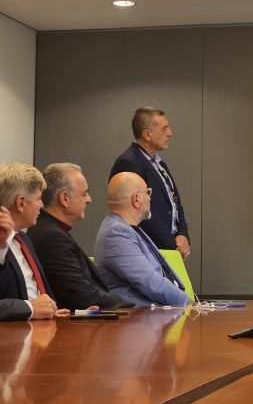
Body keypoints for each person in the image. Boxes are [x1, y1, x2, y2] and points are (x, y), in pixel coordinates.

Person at [27, 163, 133, 311]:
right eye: (84, 194)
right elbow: (84, 297)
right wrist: (135, 307)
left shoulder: (52, 231)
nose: (89, 199)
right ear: (64, 198)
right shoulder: (51, 238)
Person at [94, 172, 189, 307]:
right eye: (148, 192)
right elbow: (151, 283)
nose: (150, 198)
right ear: (137, 199)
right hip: (139, 316)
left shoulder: (127, 228)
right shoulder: (116, 232)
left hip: (156, 312)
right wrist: (188, 304)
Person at [109, 107, 190, 256]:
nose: (170, 133)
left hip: (169, 248)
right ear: (147, 134)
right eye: (164, 129)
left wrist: (182, 234)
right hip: (149, 251)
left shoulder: (159, 163)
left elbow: (175, 202)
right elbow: (141, 210)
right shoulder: (128, 163)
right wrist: (173, 245)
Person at [0, 163, 59, 320]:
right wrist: (30, 308)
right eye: (39, 198)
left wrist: (53, 310)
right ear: (21, 203)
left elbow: (37, 294)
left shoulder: (24, 239)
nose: (42, 205)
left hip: (41, 327)